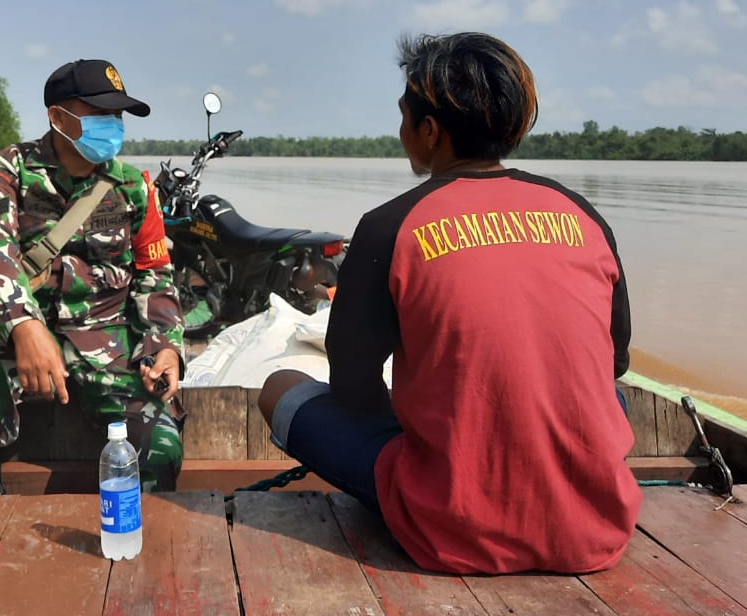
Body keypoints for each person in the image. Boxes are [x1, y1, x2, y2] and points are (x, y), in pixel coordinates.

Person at [258, 32, 640, 574]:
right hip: (595, 533)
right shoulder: (580, 214)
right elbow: (615, 363)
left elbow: (354, 387)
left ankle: (428, 493)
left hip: (451, 528)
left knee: (281, 389)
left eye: (404, 119)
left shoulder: (390, 225)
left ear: (430, 131)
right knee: (610, 398)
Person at [0, 58, 185, 496]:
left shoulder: (133, 187)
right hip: (18, 335)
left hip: (105, 339)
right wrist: (25, 326)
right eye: (99, 114)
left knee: (162, 448)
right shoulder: (11, 169)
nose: (112, 125)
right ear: (58, 117)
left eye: (117, 116)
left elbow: (156, 278)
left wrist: (166, 348)